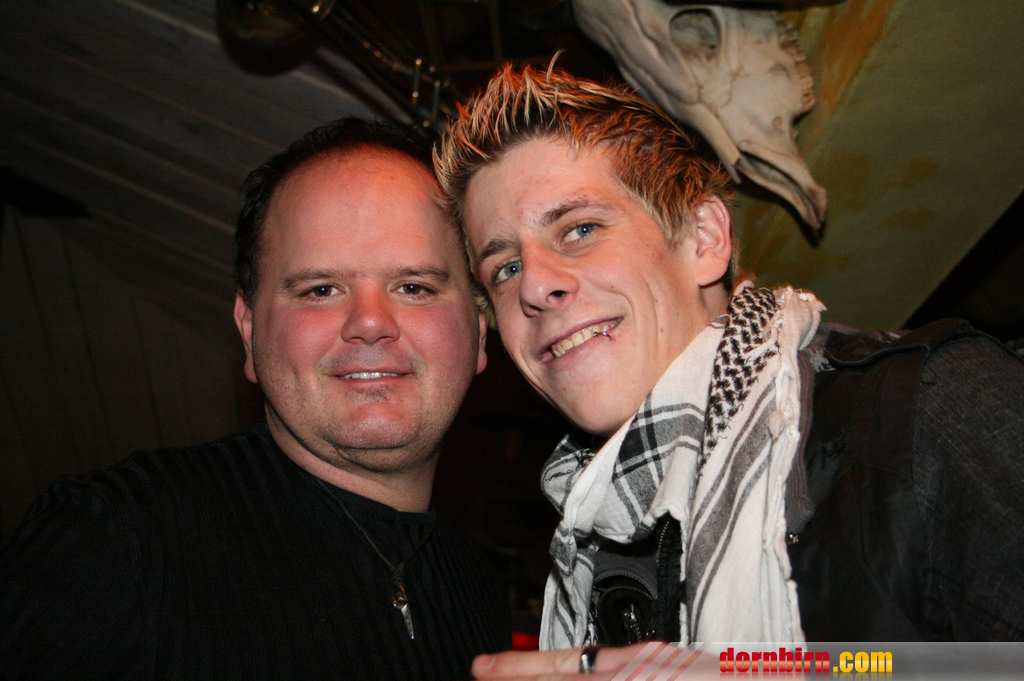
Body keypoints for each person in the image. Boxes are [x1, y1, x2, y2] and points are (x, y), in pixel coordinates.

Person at [433, 64, 1024, 675]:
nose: (534, 285)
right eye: (505, 269)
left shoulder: (925, 405)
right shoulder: (589, 548)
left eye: (580, 229)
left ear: (703, 238)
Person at [0, 118, 510, 679]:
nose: (369, 323)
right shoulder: (115, 540)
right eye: (321, 290)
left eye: (414, 287)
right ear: (248, 332)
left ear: (479, 330)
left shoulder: (479, 590)